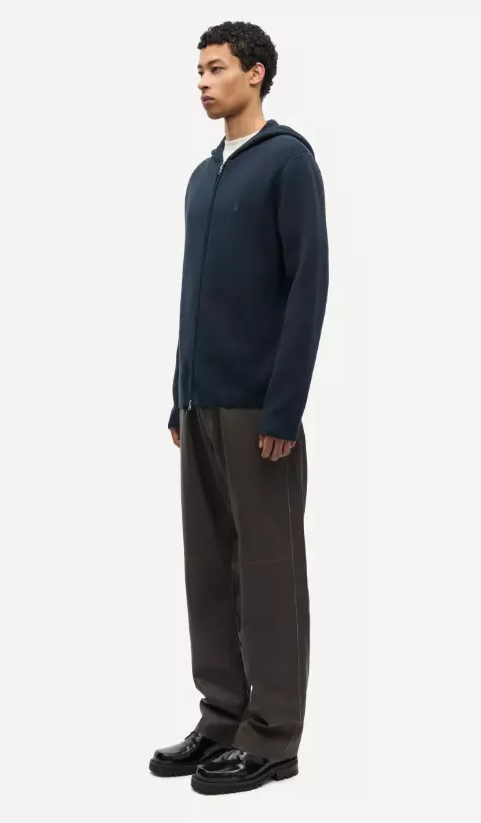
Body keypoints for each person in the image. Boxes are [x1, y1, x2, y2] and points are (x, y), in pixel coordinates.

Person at [149, 20, 329, 795]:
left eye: (216, 68)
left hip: (259, 410)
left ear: (254, 74)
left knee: (268, 574)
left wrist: (282, 408)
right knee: (207, 570)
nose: (202, 81)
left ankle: (272, 735)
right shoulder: (202, 176)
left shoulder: (288, 161)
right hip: (200, 404)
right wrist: (178, 392)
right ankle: (221, 716)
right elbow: (193, 295)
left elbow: (307, 286)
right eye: (198, 69)